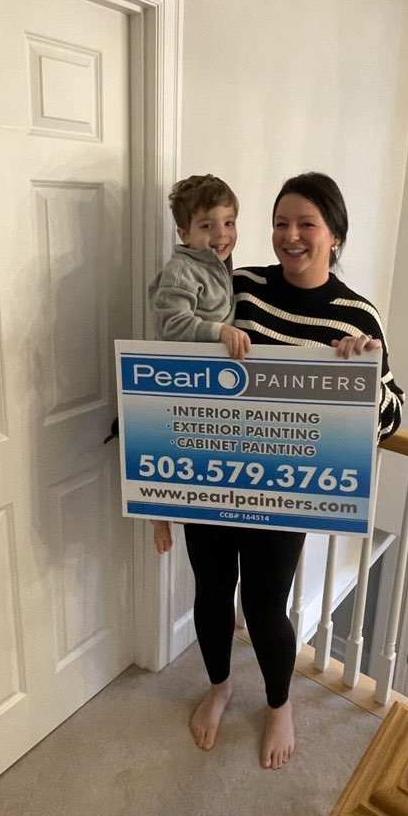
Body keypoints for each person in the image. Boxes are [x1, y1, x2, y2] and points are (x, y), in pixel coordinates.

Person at [186, 171, 403, 769]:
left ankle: (279, 702)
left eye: (306, 223)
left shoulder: (356, 316)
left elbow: (389, 421)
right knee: (209, 592)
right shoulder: (243, 285)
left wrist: (370, 372)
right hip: (212, 474)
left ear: (334, 234)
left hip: (284, 492)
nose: (291, 235)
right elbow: (189, 351)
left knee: (263, 606)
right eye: (281, 223)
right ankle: (220, 684)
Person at [147, 174, 251, 555]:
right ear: (184, 232)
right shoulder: (182, 269)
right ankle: (158, 511)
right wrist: (220, 331)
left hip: (208, 379)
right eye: (207, 226)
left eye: (229, 222)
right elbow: (172, 322)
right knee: (170, 448)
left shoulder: (218, 263)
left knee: (197, 448)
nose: (221, 233)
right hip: (178, 372)